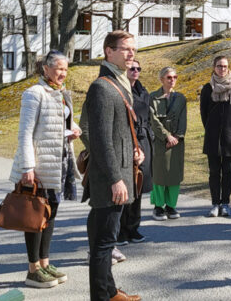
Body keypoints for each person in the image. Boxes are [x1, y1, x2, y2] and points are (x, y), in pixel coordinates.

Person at [80, 31, 144, 301]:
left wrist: (134, 149)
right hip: (110, 179)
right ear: (109, 51)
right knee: (104, 245)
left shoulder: (117, 83)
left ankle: (109, 291)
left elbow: (118, 132)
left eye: (133, 49)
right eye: (125, 49)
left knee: (102, 241)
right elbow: (101, 139)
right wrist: (116, 178)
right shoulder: (103, 87)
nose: (131, 54)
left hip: (116, 172)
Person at [9, 50, 81, 288]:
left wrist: (74, 129)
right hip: (39, 167)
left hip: (58, 165)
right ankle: (33, 269)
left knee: (49, 217)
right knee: (35, 218)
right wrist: (28, 166)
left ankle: (45, 262)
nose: (63, 73)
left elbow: (60, 122)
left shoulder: (61, 94)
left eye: (66, 69)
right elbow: (25, 132)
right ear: (46, 68)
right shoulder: (34, 93)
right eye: (59, 68)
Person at [200, 55, 231, 217]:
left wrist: (230, 127)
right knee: (214, 172)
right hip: (212, 137)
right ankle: (214, 203)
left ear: (229, 68)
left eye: (225, 66)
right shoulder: (207, 88)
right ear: (214, 67)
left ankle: (225, 203)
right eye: (219, 66)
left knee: (228, 172)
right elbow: (203, 113)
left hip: (230, 138)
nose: (222, 69)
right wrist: (212, 128)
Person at [118, 59, 153, 244]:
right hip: (129, 141)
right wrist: (132, 145)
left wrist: (150, 136)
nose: (135, 71)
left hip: (144, 140)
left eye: (138, 68)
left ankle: (133, 228)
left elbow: (148, 116)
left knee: (139, 186)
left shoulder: (143, 90)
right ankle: (121, 230)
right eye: (132, 68)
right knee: (128, 185)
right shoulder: (121, 91)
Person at [149, 66, 187, 221]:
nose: (172, 80)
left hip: (176, 142)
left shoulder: (181, 98)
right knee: (159, 174)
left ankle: (171, 206)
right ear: (161, 79)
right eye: (169, 77)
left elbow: (183, 120)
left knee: (174, 174)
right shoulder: (152, 97)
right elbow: (153, 120)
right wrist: (166, 136)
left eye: (175, 77)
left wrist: (177, 137)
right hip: (160, 142)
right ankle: (158, 207)